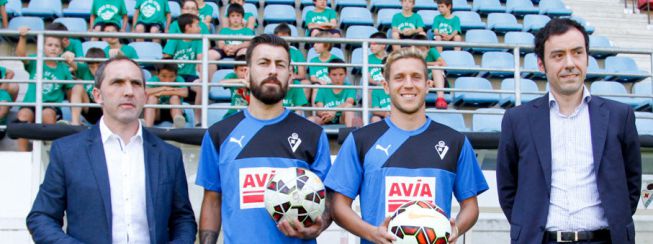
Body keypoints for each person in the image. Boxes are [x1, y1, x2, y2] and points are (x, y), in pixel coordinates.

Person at [496, 18, 641, 244]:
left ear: (587, 57)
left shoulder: (619, 116)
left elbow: (631, 185)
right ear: (541, 64)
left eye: (577, 52)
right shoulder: (517, 120)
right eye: (558, 55)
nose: (570, 63)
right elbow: (508, 189)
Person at [325, 47, 488, 244]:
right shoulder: (361, 140)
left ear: (428, 85)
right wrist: (371, 233)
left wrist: (455, 229)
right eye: (400, 77)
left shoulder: (455, 141)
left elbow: (470, 206)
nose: (408, 84)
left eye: (416, 77)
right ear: (386, 86)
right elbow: (338, 206)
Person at [26, 57, 197, 243]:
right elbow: (42, 217)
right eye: (118, 82)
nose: (129, 91)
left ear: (145, 96)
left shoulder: (168, 156)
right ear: (97, 95)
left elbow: (183, 219)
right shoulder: (67, 152)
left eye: (136, 84)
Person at [196, 34, 332, 244]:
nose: (272, 71)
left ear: (290, 74)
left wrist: (318, 226)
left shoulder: (312, 134)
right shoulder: (219, 134)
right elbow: (212, 200)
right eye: (264, 63)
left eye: (280, 64)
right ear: (247, 72)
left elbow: (328, 200)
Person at [15, 27, 75, 151]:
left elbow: (70, 93)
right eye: (50, 45)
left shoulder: (63, 69)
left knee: (47, 114)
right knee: (23, 115)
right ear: (43, 47)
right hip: (30, 103)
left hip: (50, 106)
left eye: (57, 46)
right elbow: (21, 55)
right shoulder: (36, 61)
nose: (53, 48)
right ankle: (23, 154)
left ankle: (48, 151)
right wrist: (22, 37)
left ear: (61, 50)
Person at [163, 13, 205, 125]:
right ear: (188, 27)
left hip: (190, 76)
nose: (200, 28)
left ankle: (197, 119)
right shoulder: (175, 39)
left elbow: (200, 59)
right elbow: (166, 58)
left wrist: (202, 76)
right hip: (175, 76)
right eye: (197, 25)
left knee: (201, 86)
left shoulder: (198, 41)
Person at [309, 59, 359, 127]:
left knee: (349, 107)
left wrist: (334, 111)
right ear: (328, 75)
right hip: (325, 118)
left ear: (346, 74)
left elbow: (349, 102)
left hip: (342, 118)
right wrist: (326, 115)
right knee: (310, 119)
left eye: (341, 74)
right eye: (334, 75)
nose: (338, 78)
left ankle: (349, 135)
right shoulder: (323, 88)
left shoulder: (350, 87)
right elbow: (319, 109)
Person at [273, 23, 310, 113]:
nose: (284, 40)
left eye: (286, 36)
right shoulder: (272, 51)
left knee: (306, 83)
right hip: (277, 78)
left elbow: (302, 74)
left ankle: (299, 109)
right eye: (281, 37)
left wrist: (291, 76)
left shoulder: (296, 52)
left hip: (293, 79)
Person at [69, 47, 106, 125]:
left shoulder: (108, 70)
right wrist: (67, 55)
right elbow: (70, 62)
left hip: (106, 109)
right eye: (92, 67)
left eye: (99, 66)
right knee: (78, 85)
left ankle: (108, 124)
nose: (96, 70)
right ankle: (75, 124)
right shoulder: (85, 70)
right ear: (88, 66)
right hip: (90, 108)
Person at [144, 63, 188, 128]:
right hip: (157, 113)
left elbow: (185, 93)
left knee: (175, 98)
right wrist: (163, 88)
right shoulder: (154, 79)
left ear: (176, 75)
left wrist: (161, 93)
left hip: (174, 113)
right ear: (157, 74)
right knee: (152, 98)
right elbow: (145, 92)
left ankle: (178, 126)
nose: (167, 81)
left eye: (171, 77)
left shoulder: (179, 79)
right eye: (164, 76)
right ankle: (148, 127)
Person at [412, 34, 448, 109]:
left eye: (422, 50)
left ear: (427, 48)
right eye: (417, 49)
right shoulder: (411, 55)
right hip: (423, 83)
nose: (419, 52)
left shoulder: (432, 51)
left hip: (438, 82)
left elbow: (443, 64)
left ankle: (440, 98)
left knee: (436, 67)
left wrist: (423, 63)